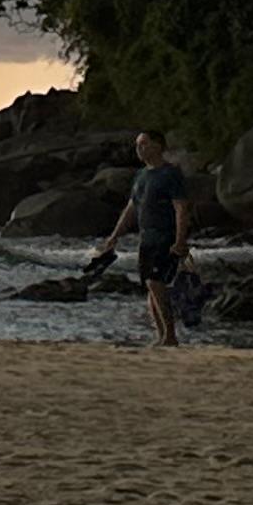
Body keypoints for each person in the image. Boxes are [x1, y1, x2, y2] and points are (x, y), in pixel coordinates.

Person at [87, 130, 195, 348]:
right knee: (149, 284)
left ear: (158, 146)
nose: (140, 149)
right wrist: (114, 236)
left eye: (144, 144)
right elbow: (131, 208)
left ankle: (171, 336)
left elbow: (181, 208)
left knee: (156, 282)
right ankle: (161, 335)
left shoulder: (170, 174)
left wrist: (180, 240)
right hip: (145, 237)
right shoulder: (141, 176)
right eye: (138, 145)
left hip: (164, 236)